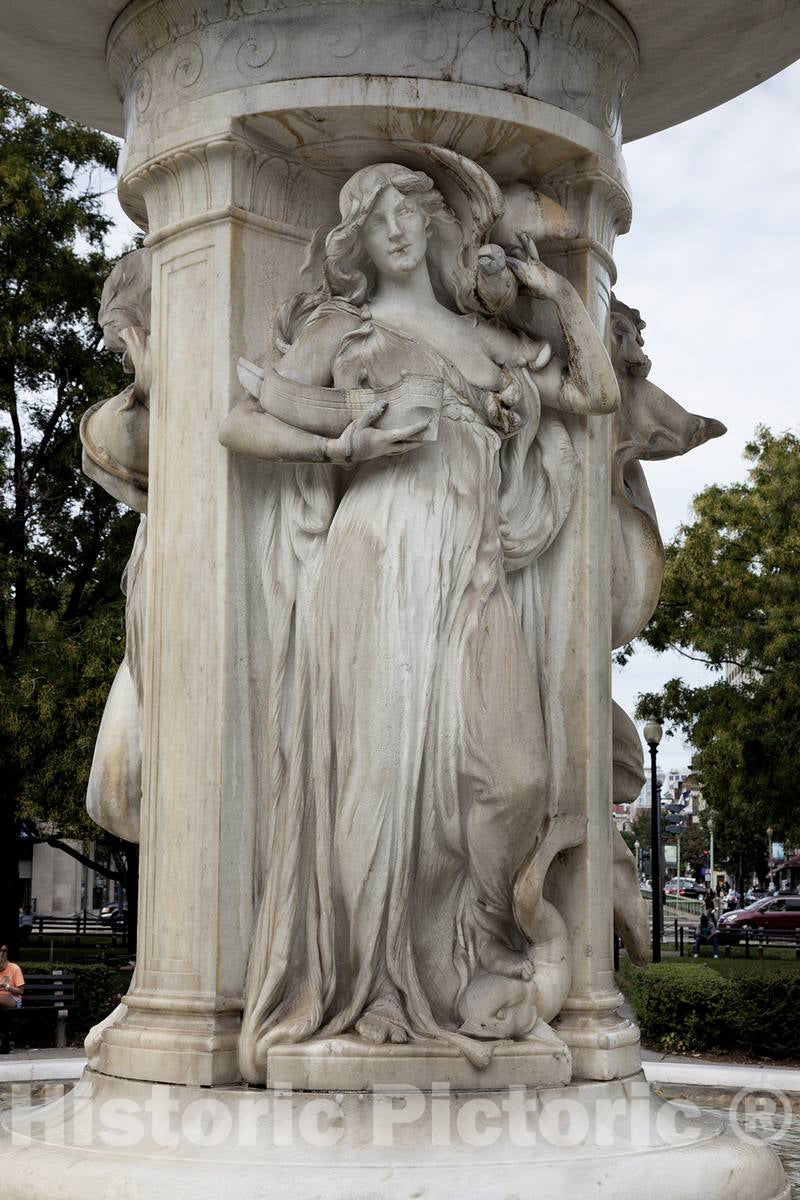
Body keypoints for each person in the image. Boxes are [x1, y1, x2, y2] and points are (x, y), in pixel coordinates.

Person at [221, 158, 619, 1082]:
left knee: (515, 777)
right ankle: (379, 989)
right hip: (375, 562)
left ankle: (479, 945)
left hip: (470, 569)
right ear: (354, 241)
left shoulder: (485, 337)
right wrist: (340, 441)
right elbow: (240, 424)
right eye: (376, 216)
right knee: (374, 785)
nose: (398, 228)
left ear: (435, 224)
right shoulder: (340, 329)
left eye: (410, 210)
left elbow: (593, 393)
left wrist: (552, 286)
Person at [0, 945, 25, 1054]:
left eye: (4, 951)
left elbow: (20, 991)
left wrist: (6, 987)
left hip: (13, 999)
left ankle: (4, 1042)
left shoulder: (14, 968)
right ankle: (4, 1042)